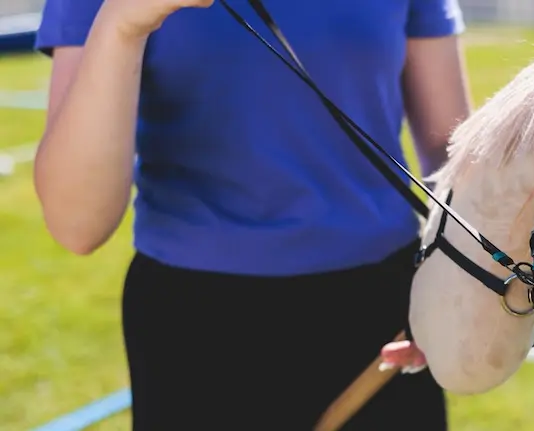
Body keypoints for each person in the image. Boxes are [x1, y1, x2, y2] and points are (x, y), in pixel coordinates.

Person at [34, 0, 471, 429]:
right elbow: (78, 226)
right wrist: (120, 22)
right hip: (195, 327)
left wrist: (454, 292)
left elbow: (455, 162)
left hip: (385, 314)